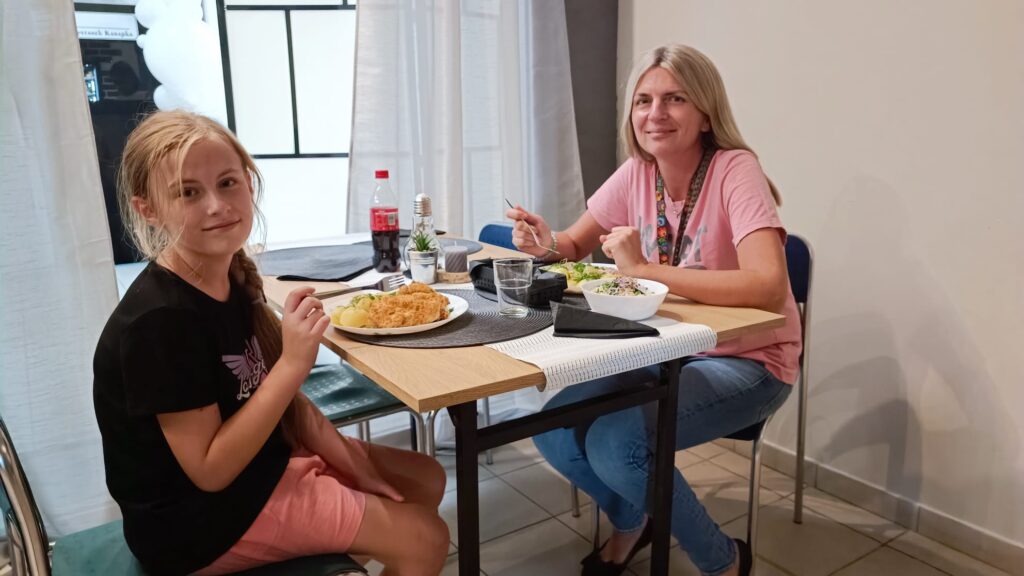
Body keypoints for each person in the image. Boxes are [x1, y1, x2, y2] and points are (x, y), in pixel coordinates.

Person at [93, 110, 449, 576]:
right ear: (149, 210)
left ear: (248, 182)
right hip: (196, 523)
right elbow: (210, 470)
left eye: (227, 183)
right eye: (188, 192)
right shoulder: (160, 322)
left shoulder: (229, 278)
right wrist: (293, 365)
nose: (217, 206)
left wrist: (356, 468)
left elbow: (291, 408)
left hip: (259, 466)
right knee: (426, 539)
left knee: (426, 477)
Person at [506, 45, 802, 576]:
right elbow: (572, 245)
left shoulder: (736, 169)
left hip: (751, 360)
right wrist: (545, 241)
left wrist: (645, 269)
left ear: (706, 113)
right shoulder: (638, 172)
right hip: (669, 348)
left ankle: (724, 561)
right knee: (553, 426)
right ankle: (631, 521)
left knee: (616, 444)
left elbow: (767, 285)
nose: (655, 113)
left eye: (675, 99)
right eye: (643, 100)